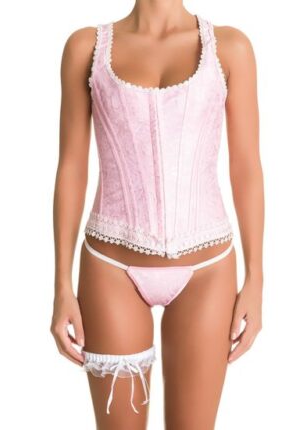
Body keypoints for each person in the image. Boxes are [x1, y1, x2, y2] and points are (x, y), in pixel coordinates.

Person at [51, 2, 264, 429]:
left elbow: (246, 168)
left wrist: (256, 278)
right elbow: (71, 167)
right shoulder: (85, 48)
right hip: (110, 268)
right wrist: (61, 286)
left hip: (207, 270)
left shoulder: (231, 48)